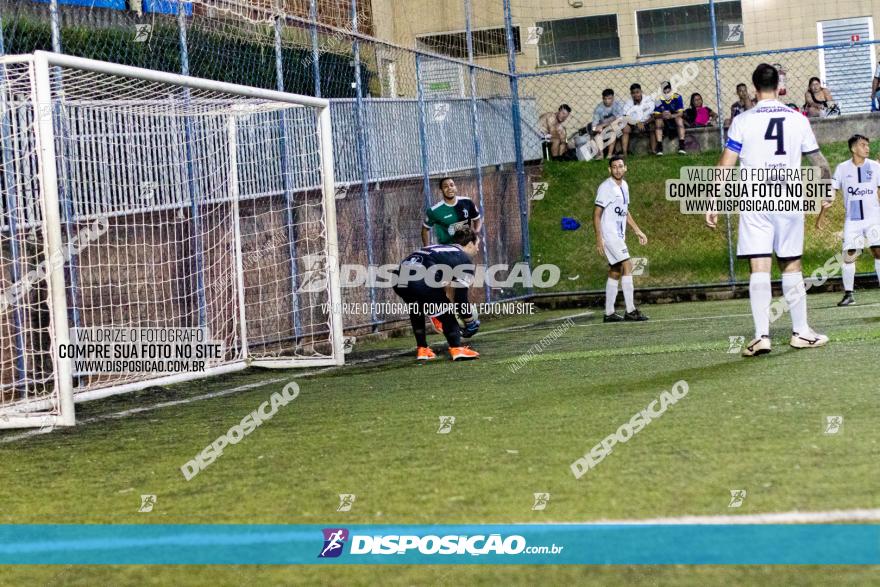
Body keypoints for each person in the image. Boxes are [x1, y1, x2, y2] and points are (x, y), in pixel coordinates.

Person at [706, 63, 832, 357]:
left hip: (755, 197)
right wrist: (826, 190)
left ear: (753, 89)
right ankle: (801, 332)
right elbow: (819, 162)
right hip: (787, 196)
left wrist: (713, 201)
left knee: (758, 266)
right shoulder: (797, 118)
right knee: (791, 264)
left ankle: (762, 336)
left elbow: (725, 164)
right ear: (779, 87)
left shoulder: (743, 120)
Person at [393, 227, 481, 361]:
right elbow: (460, 299)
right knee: (446, 312)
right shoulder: (464, 260)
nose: (478, 249)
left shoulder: (442, 250)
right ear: (470, 244)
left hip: (398, 278)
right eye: (478, 245)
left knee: (416, 309)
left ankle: (422, 349)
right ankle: (457, 349)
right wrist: (470, 322)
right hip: (421, 278)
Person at [816, 134, 880, 306]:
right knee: (849, 255)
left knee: (878, 251)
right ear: (853, 148)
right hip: (853, 219)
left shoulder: (875, 167)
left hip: (874, 218)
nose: (867, 148)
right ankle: (849, 295)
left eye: (868, 145)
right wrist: (821, 216)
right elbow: (832, 192)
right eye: (863, 145)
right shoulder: (842, 168)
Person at [594, 155, 649, 322]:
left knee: (615, 269)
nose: (618, 169)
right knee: (628, 264)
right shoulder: (605, 187)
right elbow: (596, 215)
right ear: (609, 169)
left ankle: (609, 313)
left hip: (619, 235)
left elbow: (625, 211)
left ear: (625, 168)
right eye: (614, 167)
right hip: (609, 234)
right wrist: (599, 238)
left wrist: (637, 230)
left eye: (620, 166)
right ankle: (630, 310)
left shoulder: (624, 185)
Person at [421, 177, 482, 246]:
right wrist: (427, 247)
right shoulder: (434, 211)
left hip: (467, 246)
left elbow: (477, 219)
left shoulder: (467, 202)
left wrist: (476, 233)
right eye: (445, 186)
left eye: (451, 185)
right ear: (441, 190)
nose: (449, 188)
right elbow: (425, 229)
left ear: (455, 187)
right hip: (448, 248)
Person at [621, 83, 656, 155]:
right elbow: (625, 117)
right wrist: (637, 122)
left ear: (641, 92)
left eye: (637, 92)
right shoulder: (628, 102)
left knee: (653, 126)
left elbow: (654, 116)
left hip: (647, 122)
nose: (636, 95)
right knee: (625, 128)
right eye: (633, 93)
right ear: (631, 94)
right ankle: (624, 153)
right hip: (633, 123)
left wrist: (644, 123)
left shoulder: (648, 100)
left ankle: (653, 150)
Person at [652, 81, 686, 156]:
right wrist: (662, 115)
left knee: (679, 119)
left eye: (668, 90)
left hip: (674, 118)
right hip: (664, 121)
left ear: (671, 89)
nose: (667, 92)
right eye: (665, 91)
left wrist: (671, 116)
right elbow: (655, 115)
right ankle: (659, 147)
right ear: (662, 91)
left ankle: (682, 146)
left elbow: (680, 113)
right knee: (658, 121)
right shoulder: (658, 100)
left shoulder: (677, 97)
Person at [589, 89, 625, 159]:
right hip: (603, 128)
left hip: (617, 125)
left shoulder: (617, 105)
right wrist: (596, 129)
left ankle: (609, 154)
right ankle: (601, 154)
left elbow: (618, 119)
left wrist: (603, 125)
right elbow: (594, 125)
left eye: (609, 98)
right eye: (605, 99)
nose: (607, 101)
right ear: (602, 98)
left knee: (613, 130)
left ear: (613, 98)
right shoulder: (598, 108)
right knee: (598, 134)